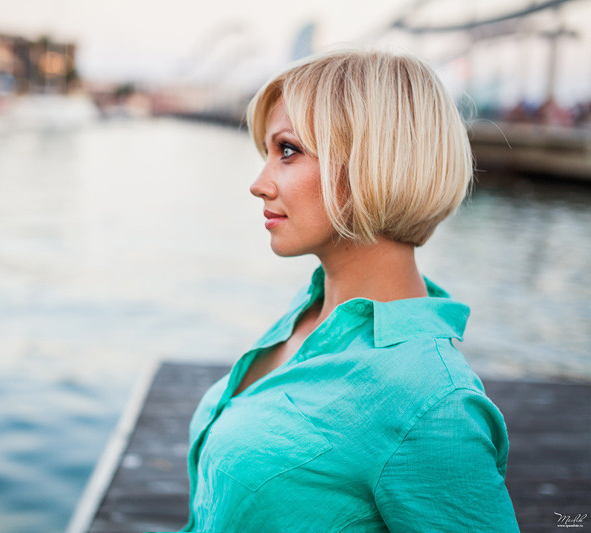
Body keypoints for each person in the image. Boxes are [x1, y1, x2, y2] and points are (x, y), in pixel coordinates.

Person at [177, 49, 520, 532]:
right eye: (268, 153)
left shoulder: (428, 401)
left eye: (288, 150)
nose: (259, 183)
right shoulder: (311, 310)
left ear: (371, 161)